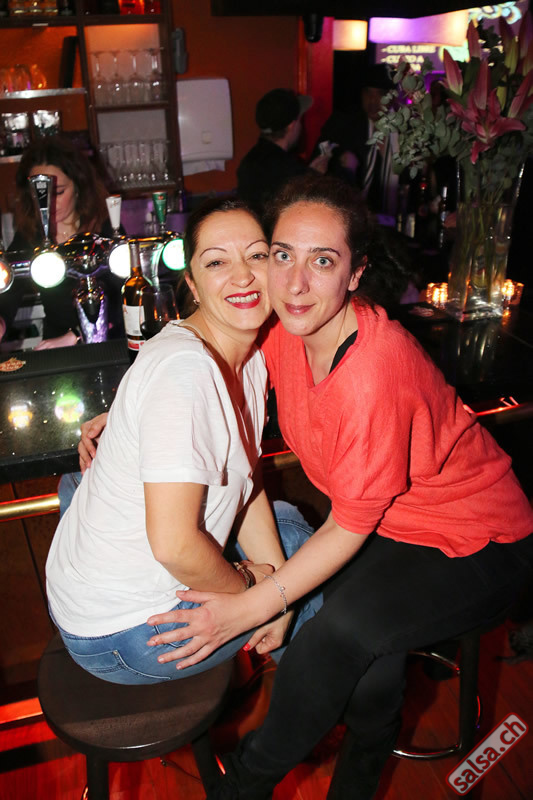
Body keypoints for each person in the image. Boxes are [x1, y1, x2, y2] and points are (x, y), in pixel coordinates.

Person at [105, 174, 531, 799]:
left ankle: (242, 785)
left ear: (355, 274)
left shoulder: (375, 371)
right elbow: (204, 358)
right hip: (394, 524)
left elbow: (348, 527)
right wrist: (123, 415)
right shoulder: (283, 331)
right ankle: (360, 766)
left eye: (323, 261)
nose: (296, 283)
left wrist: (251, 606)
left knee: (340, 631)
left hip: (480, 538)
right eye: (283, 255)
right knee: (360, 653)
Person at [45, 196, 322, 685]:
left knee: (285, 542)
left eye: (257, 255)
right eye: (217, 262)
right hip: (123, 632)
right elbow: (174, 545)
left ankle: (302, 676)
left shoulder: (249, 358)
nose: (242, 276)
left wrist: (277, 597)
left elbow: (246, 480)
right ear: (192, 283)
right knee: (304, 553)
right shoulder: (188, 369)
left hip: (91, 587)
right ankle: (315, 712)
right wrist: (258, 591)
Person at [0, 135, 123, 349]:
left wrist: (75, 334)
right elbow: (8, 290)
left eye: (58, 192)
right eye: (40, 194)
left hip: (108, 343)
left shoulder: (104, 228)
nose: (49, 203)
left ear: (78, 186)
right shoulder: (31, 235)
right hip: (57, 347)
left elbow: (123, 299)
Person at [314, 64, 402, 220]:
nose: (372, 101)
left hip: (396, 219)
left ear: (392, 97)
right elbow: (316, 167)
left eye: (380, 94)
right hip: (352, 219)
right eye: (367, 92)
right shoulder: (343, 125)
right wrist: (343, 165)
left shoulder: (404, 130)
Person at [237, 88, 329, 218]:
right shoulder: (290, 171)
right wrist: (315, 178)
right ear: (292, 125)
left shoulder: (247, 163)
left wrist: (310, 174)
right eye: (300, 120)